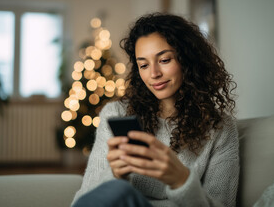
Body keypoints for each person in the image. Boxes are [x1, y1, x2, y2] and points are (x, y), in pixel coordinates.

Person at [71, 13, 239, 207]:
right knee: (119, 190)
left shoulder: (220, 128)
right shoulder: (116, 113)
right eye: (143, 65)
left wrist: (181, 181)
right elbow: (83, 200)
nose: (154, 74)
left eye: (165, 60)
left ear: (188, 60)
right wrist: (115, 174)